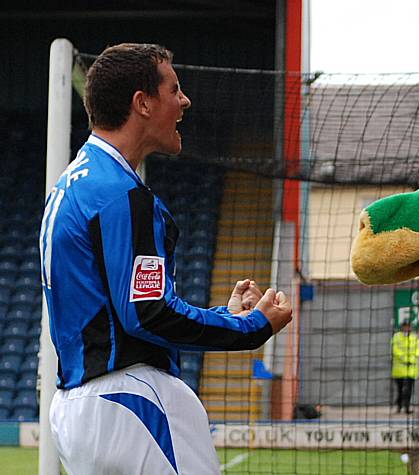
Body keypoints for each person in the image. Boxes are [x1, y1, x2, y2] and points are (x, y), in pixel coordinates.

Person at [39, 43, 293, 475]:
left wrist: (220, 314)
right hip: (131, 402)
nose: (184, 101)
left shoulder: (71, 184)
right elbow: (148, 314)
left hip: (81, 409)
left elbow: (127, 313)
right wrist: (249, 326)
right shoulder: (121, 193)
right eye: (174, 89)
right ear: (142, 103)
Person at [391, 319, 419, 414]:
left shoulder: (415, 338)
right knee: (400, 389)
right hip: (399, 369)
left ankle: (407, 407)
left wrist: (410, 359)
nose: (407, 328)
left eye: (408, 326)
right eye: (405, 326)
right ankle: (399, 406)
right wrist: (406, 359)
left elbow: (418, 351)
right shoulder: (396, 337)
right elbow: (395, 351)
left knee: (409, 389)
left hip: (411, 369)